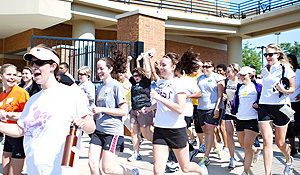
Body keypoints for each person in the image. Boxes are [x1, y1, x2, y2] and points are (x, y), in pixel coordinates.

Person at [0, 44, 96, 175]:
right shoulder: (32, 100)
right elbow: (19, 130)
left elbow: (91, 127)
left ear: (53, 66)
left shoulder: (70, 94)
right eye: (32, 63)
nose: (34, 67)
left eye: (39, 63)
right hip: (34, 170)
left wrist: (83, 123)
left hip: (61, 171)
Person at [142, 53, 208, 175]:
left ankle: (202, 170)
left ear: (173, 67)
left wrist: (159, 98)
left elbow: (179, 108)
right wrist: (150, 108)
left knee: (185, 167)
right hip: (160, 129)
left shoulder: (179, 84)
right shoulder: (161, 82)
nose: (161, 67)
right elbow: (163, 103)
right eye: (160, 65)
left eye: (164, 65)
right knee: (157, 170)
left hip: (176, 130)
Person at [88, 51, 140, 175]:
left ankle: (133, 173)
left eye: (102, 68)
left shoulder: (117, 86)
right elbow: (98, 110)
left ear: (110, 69)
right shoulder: (99, 87)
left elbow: (123, 111)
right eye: (97, 69)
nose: (99, 71)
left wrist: (102, 110)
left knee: (108, 169)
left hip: (112, 132)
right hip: (98, 130)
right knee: (92, 164)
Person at [258, 44, 295, 175]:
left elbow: (292, 89)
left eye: (270, 54)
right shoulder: (264, 69)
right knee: (267, 141)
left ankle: (288, 160)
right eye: (265, 55)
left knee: (279, 142)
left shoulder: (285, 68)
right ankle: (267, 173)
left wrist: (283, 90)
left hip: (280, 106)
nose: (267, 57)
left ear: (277, 55)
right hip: (264, 106)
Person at [231, 66, 262, 175]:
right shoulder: (239, 87)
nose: (242, 77)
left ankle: (245, 171)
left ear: (250, 75)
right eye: (241, 75)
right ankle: (256, 151)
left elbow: (263, 100)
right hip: (240, 118)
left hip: (252, 119)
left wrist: (259, 105)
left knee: (247, 147)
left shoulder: (257, 87)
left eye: (244, 75)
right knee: (243, 144)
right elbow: (236, 101)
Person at [0, 64, 30, 175]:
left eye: (15, 75)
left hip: (19, 137)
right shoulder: (2, 95)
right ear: (1, 76)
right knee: (5, 173)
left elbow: (30, 115)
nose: (12, 77)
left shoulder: (21, 92)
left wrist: (9, 115)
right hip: (7, 136)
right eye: (8, 74)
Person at [125, 53, 154, 162]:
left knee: (146, 134)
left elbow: (148, 72)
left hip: (144, 110)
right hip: (134, 110)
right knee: (133, 131)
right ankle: (136, 153)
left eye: (137, 75)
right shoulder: (133, 82)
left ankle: (161, 145)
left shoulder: (145, 82)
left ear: (141, 76)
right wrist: (128, 62)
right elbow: (127, 73)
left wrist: (146, 59)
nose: (135, 77)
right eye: (135, 75)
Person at [197, 61, 225, 166]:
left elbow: (220, 95)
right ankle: (217, 146)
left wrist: (217, 108)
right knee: (206, 131)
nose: (205, 68)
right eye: (203, 66)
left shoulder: (217, 77)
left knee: (209, 131)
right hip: (201, 107)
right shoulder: (200, 78)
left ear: (212, 67)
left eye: (207, 66)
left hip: (212, 107)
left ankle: (206, 157)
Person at [223, 63, 240, 170]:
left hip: (239, 112)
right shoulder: (226, 81)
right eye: (227, 72)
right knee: (229, 134)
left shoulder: (241, 82)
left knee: (241, 139)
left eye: (229, 72)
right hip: (228, 111)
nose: (227, 74)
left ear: (235, 72)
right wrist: (225, 95)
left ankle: (253, 150)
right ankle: (232, 158)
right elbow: (224, 92)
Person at [286, 54, 300, 156]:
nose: (288, 63)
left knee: (297, 126)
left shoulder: (299, 72)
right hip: (286, 103)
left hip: (297, 103)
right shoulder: (284, 72)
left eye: (290, 61)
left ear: (294, 62)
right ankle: (293, 148)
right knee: (289, 126)